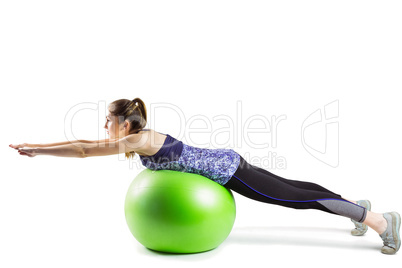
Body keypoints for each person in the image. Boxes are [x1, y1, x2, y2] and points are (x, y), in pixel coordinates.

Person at [9, 97, 400, 255]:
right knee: (298, 188)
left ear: (127, 125)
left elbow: (82, 150)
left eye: (109, 123)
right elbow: (83, 141)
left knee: (296, 197)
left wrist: (39, 150)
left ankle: (380, 221)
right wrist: (38, 146)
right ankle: (358, 209)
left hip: (230, 172)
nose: (105, 129)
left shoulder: (140, 141)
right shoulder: (139, 137)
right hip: (227, 161)